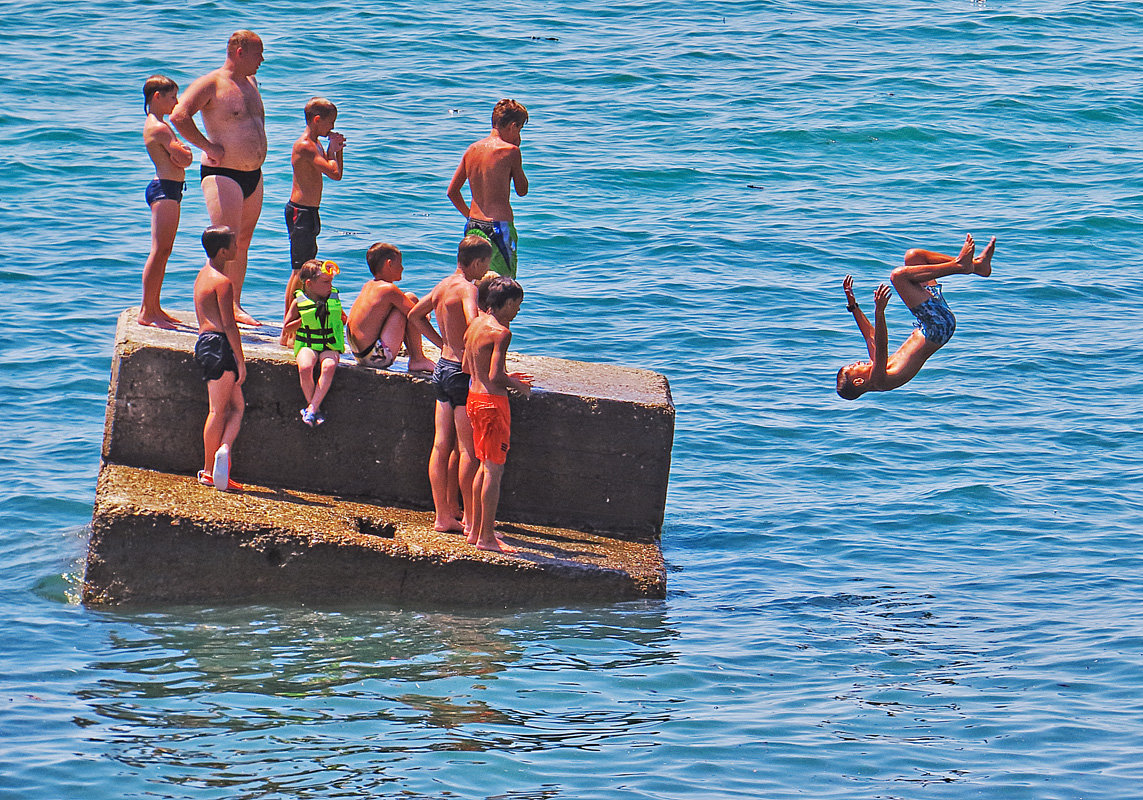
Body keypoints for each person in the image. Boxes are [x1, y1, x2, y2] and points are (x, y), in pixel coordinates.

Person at [171, 29, 267, 326]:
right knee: (224, 244)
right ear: (239, 52)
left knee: (243, 242)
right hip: (223, 174)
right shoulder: (211, 83)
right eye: (257, 53)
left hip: (253, 174)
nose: (262, 60)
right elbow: (179, 115)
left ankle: (234, 305)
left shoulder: (250, 82)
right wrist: (207, 146)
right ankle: (213, 310)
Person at [837, 233, 995, 399]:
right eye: (853, 366)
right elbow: (882, 344)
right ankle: (960, 265)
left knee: (914, 257)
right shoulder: (879, 381)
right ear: (858, 381)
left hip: (932, 322)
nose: (857, 362)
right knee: (898, 276)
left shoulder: (876, 367)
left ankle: (978, 267)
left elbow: (870, 337)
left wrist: (853, 305)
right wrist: (879, 310)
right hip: (937, 326)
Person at [407, 236, 492, 533]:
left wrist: (441, 343)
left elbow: (414, 315)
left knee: (441, 445)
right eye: (486, 264)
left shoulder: (444, 285)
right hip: (460, 373)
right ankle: (470, 519)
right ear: (478, 262)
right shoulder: (468, 289)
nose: (486, 269)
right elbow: (474, 326)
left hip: (442, 367)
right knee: (469, 450)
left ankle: (443, 515)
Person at [462, 276, 533, 552]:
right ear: (506, 303)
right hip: (493, 404)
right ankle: (486, 538)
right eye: (517, 304)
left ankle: (476, 532)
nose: (518, 310)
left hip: (473, 399)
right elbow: (496, 375)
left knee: (483, 463)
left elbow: (471, 368)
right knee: (494, 468)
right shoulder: (501, 333)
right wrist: (518, 385)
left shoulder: (475, 325)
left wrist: (504, 375)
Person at [446, 99, 529, 279]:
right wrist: (517, 151)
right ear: (513, 126)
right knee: (502, 287)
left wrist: (469, 215)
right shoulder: (511, 151)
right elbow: (522, 190)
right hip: (499, 228)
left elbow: (452, 192)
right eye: (520, 129)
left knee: (475, 284)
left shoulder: (471, 150)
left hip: (473, 226)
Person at [193, 225, 246, 492]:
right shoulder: (223, 282)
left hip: (204, 343)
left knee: (237, 408)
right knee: (217, 410)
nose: (238, 247)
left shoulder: (203, 275)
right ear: (223, 251)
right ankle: (208, 470)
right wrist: (241, 360)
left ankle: (223, 451)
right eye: (234, 243)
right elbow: (229, 324)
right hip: (219, 345)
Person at [283, 97, 346, 320]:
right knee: (300, 270)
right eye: (330, 123)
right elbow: (333, 171)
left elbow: (335, 172)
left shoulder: (316, 144)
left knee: (304, 266)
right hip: (300, 211)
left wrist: (335, 150)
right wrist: (334, 149)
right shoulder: (306, 146)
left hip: (309, 211)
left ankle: (294, 320)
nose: (333, 128)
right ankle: (288, 324)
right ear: (317, 120)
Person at [140, 75, 194, 329]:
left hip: (169, 188)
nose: (177, 101)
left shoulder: (159, 124)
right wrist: (183, 151)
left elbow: (180, 156)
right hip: (165, 189)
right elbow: (184, 159)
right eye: (172, 97)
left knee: (164, 251)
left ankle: (154, 307)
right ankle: (147, 310)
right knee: (160, 250)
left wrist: (180, 152)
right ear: (157, 97)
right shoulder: (159, 127)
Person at [346, 242, 440, 373]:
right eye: (400, 264)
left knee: (408, 305)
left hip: (360, 355)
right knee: (411, 299)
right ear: (389, 264)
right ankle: (418, 359)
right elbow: (417, 317)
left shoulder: (369, 285)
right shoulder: (388, 290)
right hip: (375, 357)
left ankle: (416, 358)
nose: (402, 268)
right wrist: (443, 346)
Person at [282, 260, 346, 427]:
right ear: (309, 284)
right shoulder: (299, 302)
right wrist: (301, 321)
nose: (329, 286)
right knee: (305, 367)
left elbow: (344, 318)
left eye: (331, 282)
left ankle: (311, 409)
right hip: (307, 343)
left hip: (329, 344)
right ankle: (315, 409)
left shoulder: (333, 298)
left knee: (329, 366)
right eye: (326, 282)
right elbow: (287, 327)